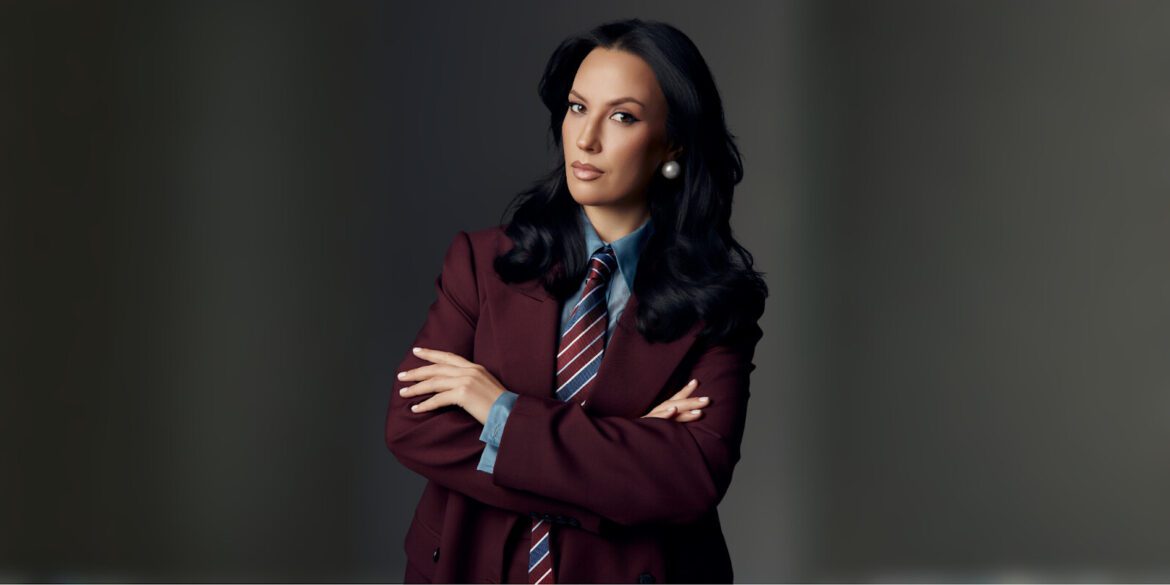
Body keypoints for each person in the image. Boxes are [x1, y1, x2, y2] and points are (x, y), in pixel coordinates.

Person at [385, 17, 767, 584]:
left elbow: (690, 479)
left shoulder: (718, 303)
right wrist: (620, 458)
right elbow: (413, 429)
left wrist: (499, 412)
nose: (586, 139)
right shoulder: (482, 263)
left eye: (622, 117)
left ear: (673, 141)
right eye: (576, 108)